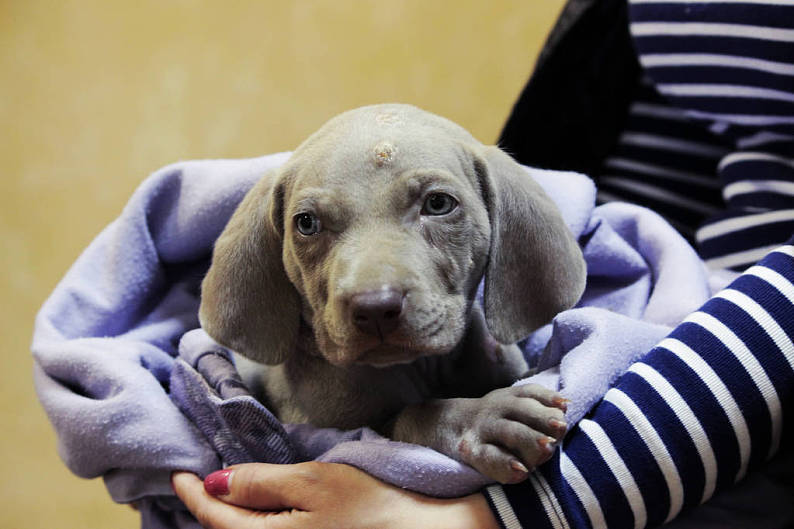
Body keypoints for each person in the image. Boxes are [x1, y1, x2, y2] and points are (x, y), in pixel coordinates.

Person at [170, 0, 794, 527]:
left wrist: (497, 516)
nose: (374, 293)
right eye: (310, 224)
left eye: (436, 204)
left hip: (728, 379)